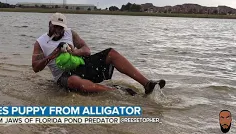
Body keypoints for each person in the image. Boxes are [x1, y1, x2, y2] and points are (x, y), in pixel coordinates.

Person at [32, 12, 165, 94]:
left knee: (111, 53)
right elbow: (35, 68)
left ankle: (147, 84)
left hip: (80, 65)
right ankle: (117, 91)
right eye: (55, 26)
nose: (58, 30)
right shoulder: (41, 42)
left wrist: (75, 52)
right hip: (63, 76)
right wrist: (52, 56)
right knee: (74, 80)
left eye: (61, 27)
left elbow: (87, 50)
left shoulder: (70, 33)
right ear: (49, 24)